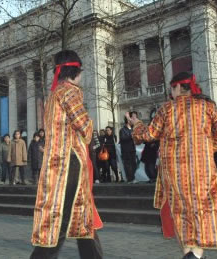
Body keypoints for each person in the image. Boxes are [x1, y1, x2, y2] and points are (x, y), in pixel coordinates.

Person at [127, 72, 217, 259]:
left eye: (171, 88)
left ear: (177, 87)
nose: (171, 92)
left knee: (181, 212)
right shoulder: (207, 107)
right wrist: (205, 149)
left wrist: (136, 124)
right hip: (204, 170)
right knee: (203, 209)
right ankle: (196, 254)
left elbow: (148, 135)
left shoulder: (167, 109)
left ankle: (190, 253)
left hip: (176, 171)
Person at [31, 50, 103, 259]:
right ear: (76, 71)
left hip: (56, 163)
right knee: (62, 218)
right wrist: (90, 125)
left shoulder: (53, 95)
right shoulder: (70, 92)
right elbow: (85, 128)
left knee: (82, 217)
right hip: (70, 163)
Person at [119, 112, 138, 183]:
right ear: (128, 121)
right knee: (128, 165)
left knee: (134, 164)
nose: (133, 121)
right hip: (126, 150)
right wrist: (131, 136)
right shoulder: (122, 130)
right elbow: (122, 138)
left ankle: (133, 177)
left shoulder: (133, 129)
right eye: (131, 119)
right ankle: (130, 179)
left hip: (132, 149)